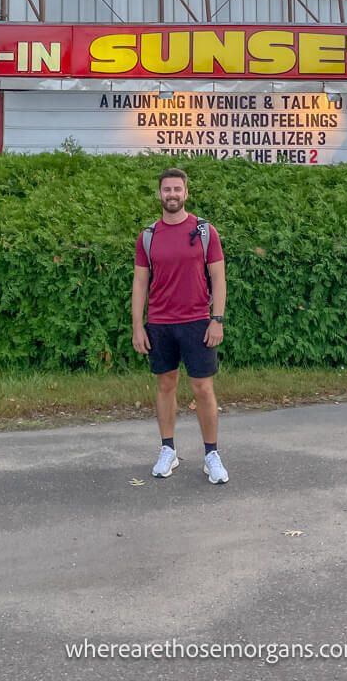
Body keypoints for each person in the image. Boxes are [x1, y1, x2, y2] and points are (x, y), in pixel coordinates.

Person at [132, 167, 229, 484]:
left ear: (186, 193)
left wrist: (217, 319)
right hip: (160, 323)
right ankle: (167, 449)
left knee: (203, 388)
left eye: (177, 189)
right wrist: (138, 326)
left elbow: (218, 278)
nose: (172, 194)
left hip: (198, 322)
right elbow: (140, 284)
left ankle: (211, 455)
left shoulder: (205, 232)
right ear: (159, 194)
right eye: (166, 189)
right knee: (165, 385)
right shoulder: (147, 237)